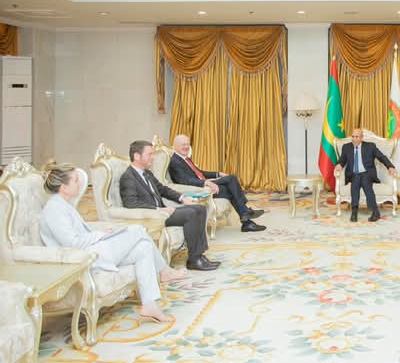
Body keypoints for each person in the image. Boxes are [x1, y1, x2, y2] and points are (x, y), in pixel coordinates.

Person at [40, 162, 186, 323]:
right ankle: (164, 271)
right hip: (85, 258)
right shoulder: (54, 209)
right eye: (75, 180)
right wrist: (100, 234)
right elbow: (73, 243)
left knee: (144, 247)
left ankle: (150, 305)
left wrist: (102, 234)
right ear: (63, 187)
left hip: (95, 250)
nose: (79, 183)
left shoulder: (63, 205)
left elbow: (79, 234)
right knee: (137, 230)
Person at [119, 140, 219, 271]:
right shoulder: (128, 177)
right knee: (191, 213)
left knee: (200, 208)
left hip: (162, 212)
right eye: (150, 154)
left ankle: (199, 254)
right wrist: (159, 209)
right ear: (137, 156)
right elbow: (131, 203)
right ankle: (194, 259)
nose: (153, 158)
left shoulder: (146, 173)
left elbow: (163, 189)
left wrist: (182, 198)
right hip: (153, 217)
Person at [168, 134, 265, 232]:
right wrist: (206, 183)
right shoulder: (175, 161)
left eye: (188, 144)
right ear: (175, 146)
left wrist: (218, 174)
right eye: (183, 145)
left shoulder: (185, 158)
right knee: (231, 179)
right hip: (198, 189)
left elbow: (200, 173)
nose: (186, 147)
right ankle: (246, 215)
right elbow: (185, 180)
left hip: (202, 184)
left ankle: (246, 221)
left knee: (230, 186)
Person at [334, 128, 397, 222]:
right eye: (353, 136)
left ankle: (355, 211)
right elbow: (342, 160)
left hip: (367, 174)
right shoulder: (346, 147)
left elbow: (381, 157)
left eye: (356, 137)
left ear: (361, 138)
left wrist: (390, 166)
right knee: (357, 178)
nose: (354, 139)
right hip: (353, 174)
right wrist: (339, 165)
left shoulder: (370, 146)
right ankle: (373, 211)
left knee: (364, 179)